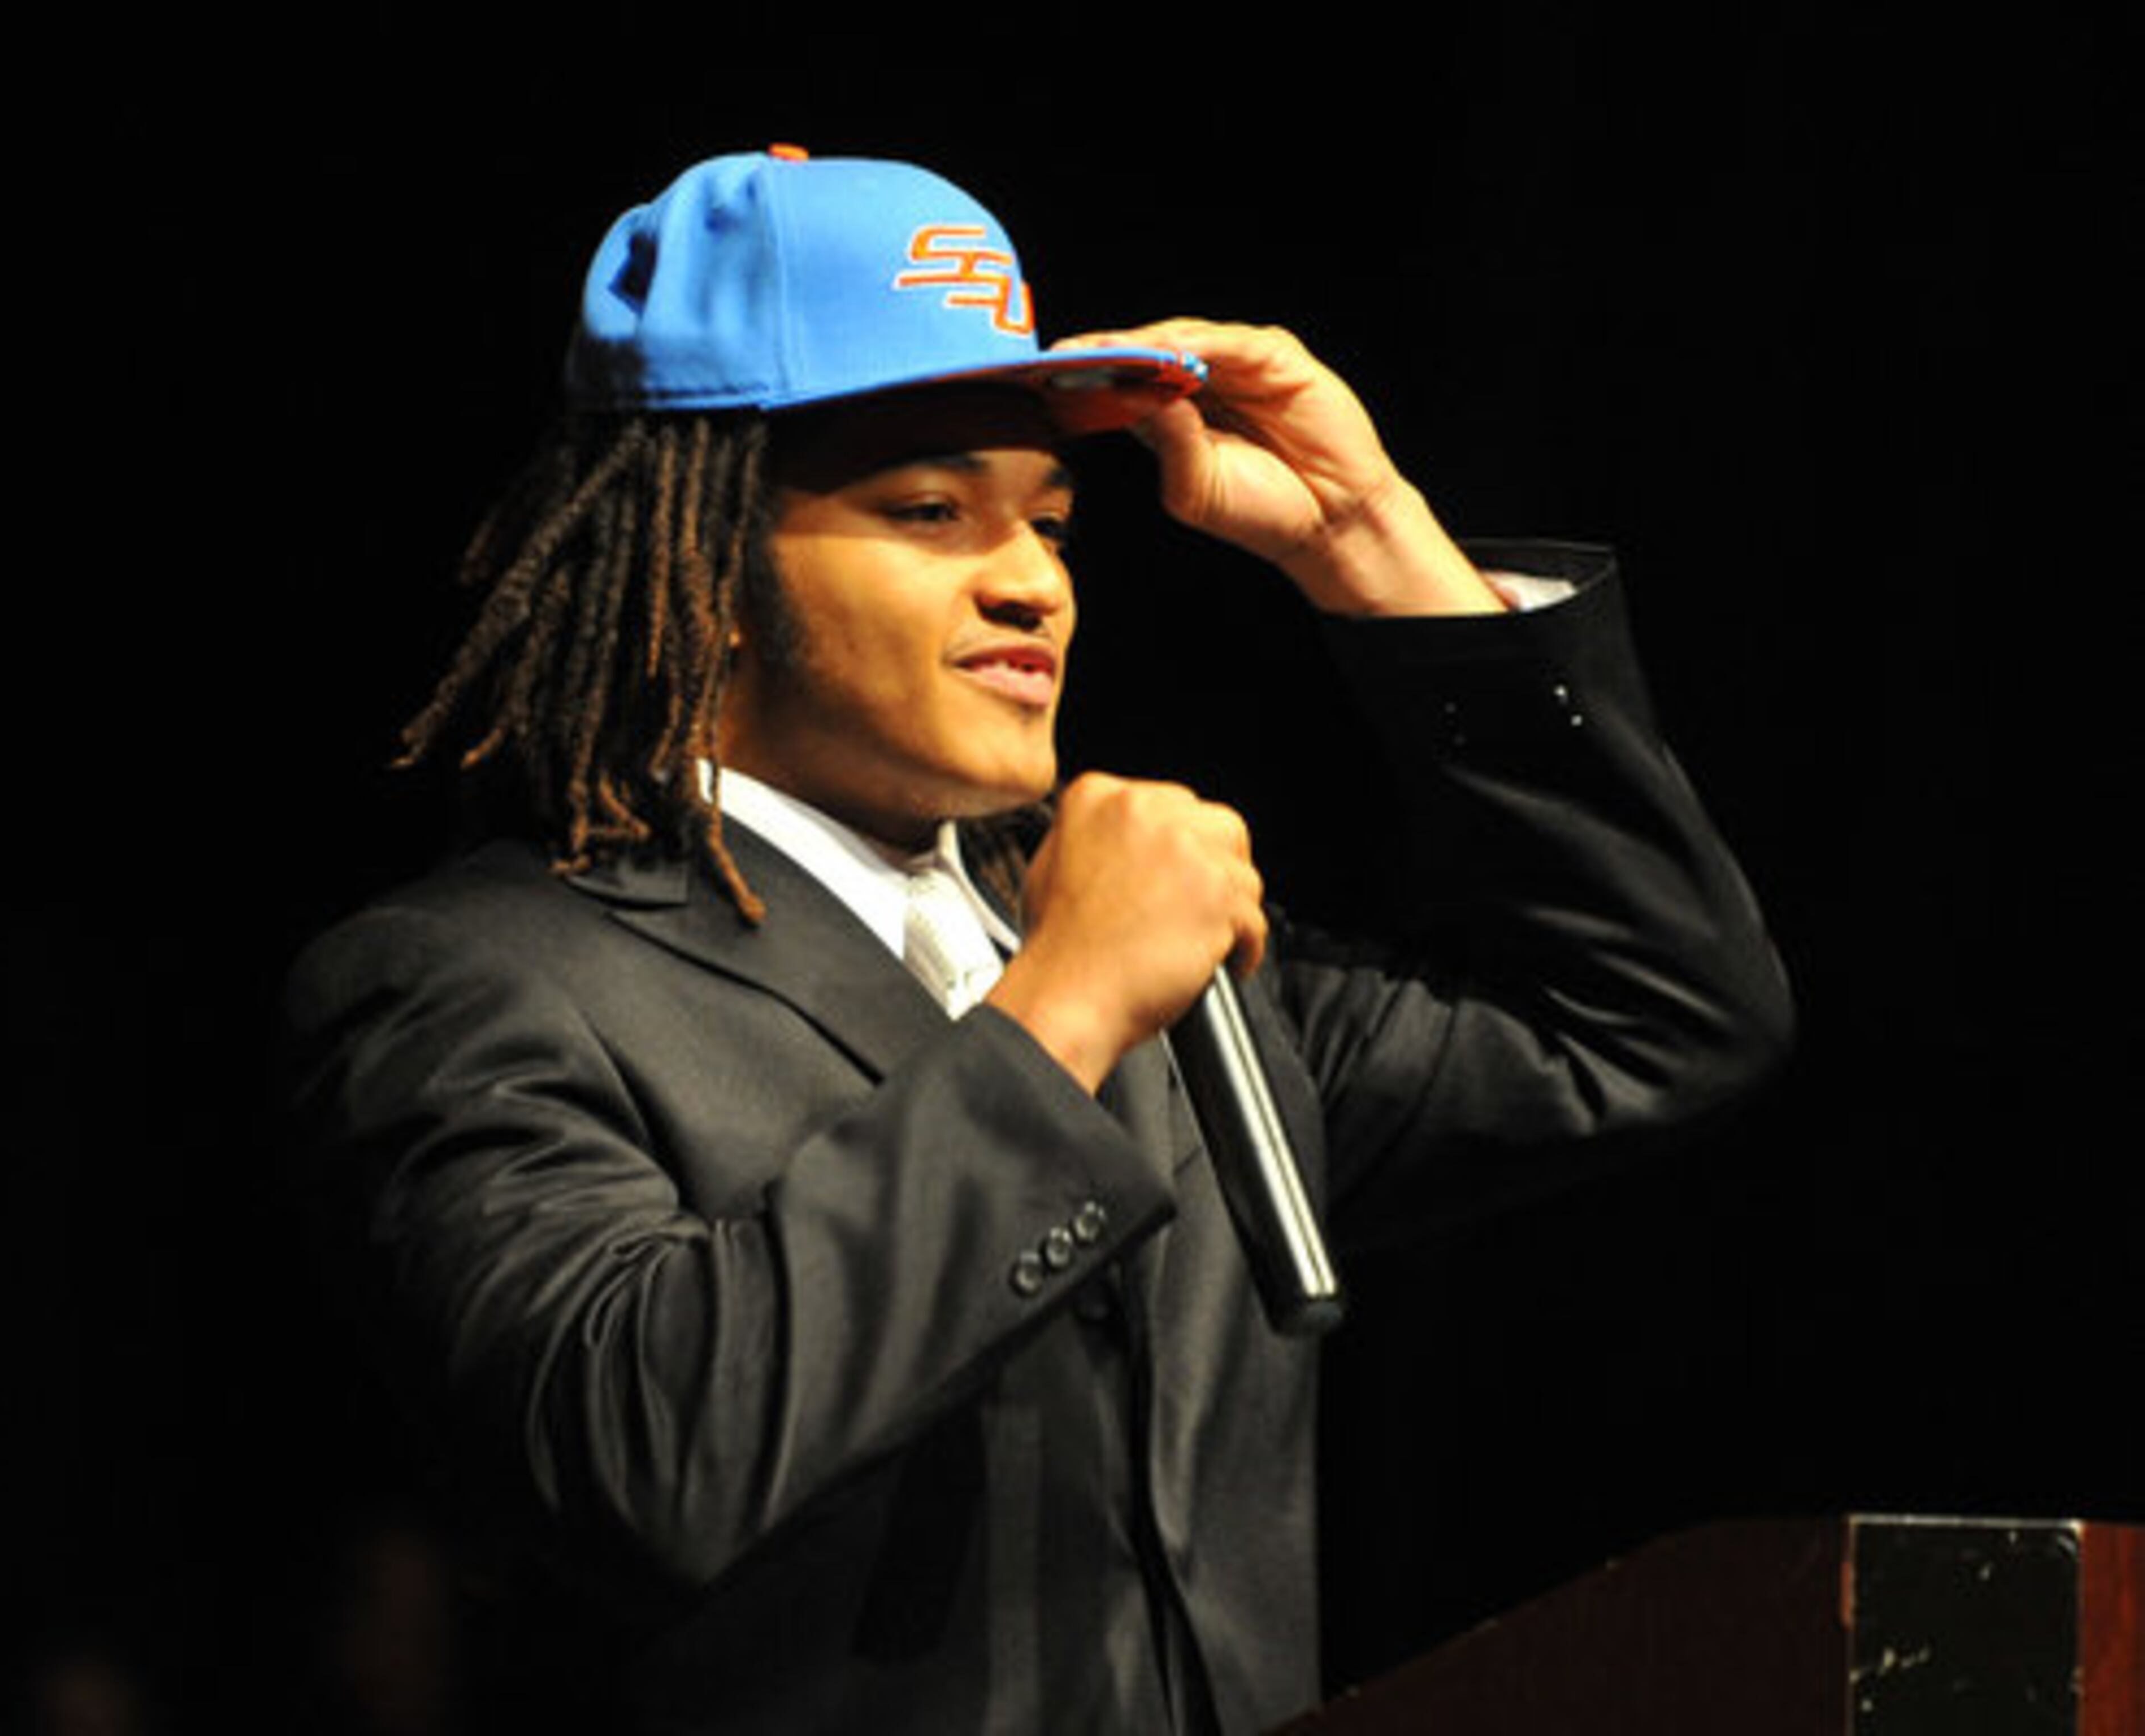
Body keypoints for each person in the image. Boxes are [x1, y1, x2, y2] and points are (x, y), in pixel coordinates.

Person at [278, 145, 1793, 1734]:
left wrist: (1378, 554)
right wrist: (1060, 1008)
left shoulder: (1168, 978)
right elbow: (653, 1458)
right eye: (931, 510)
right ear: (709, 565)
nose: (1029, 587)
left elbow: (1660, 1016)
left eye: (1054, 528)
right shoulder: (476, 984)